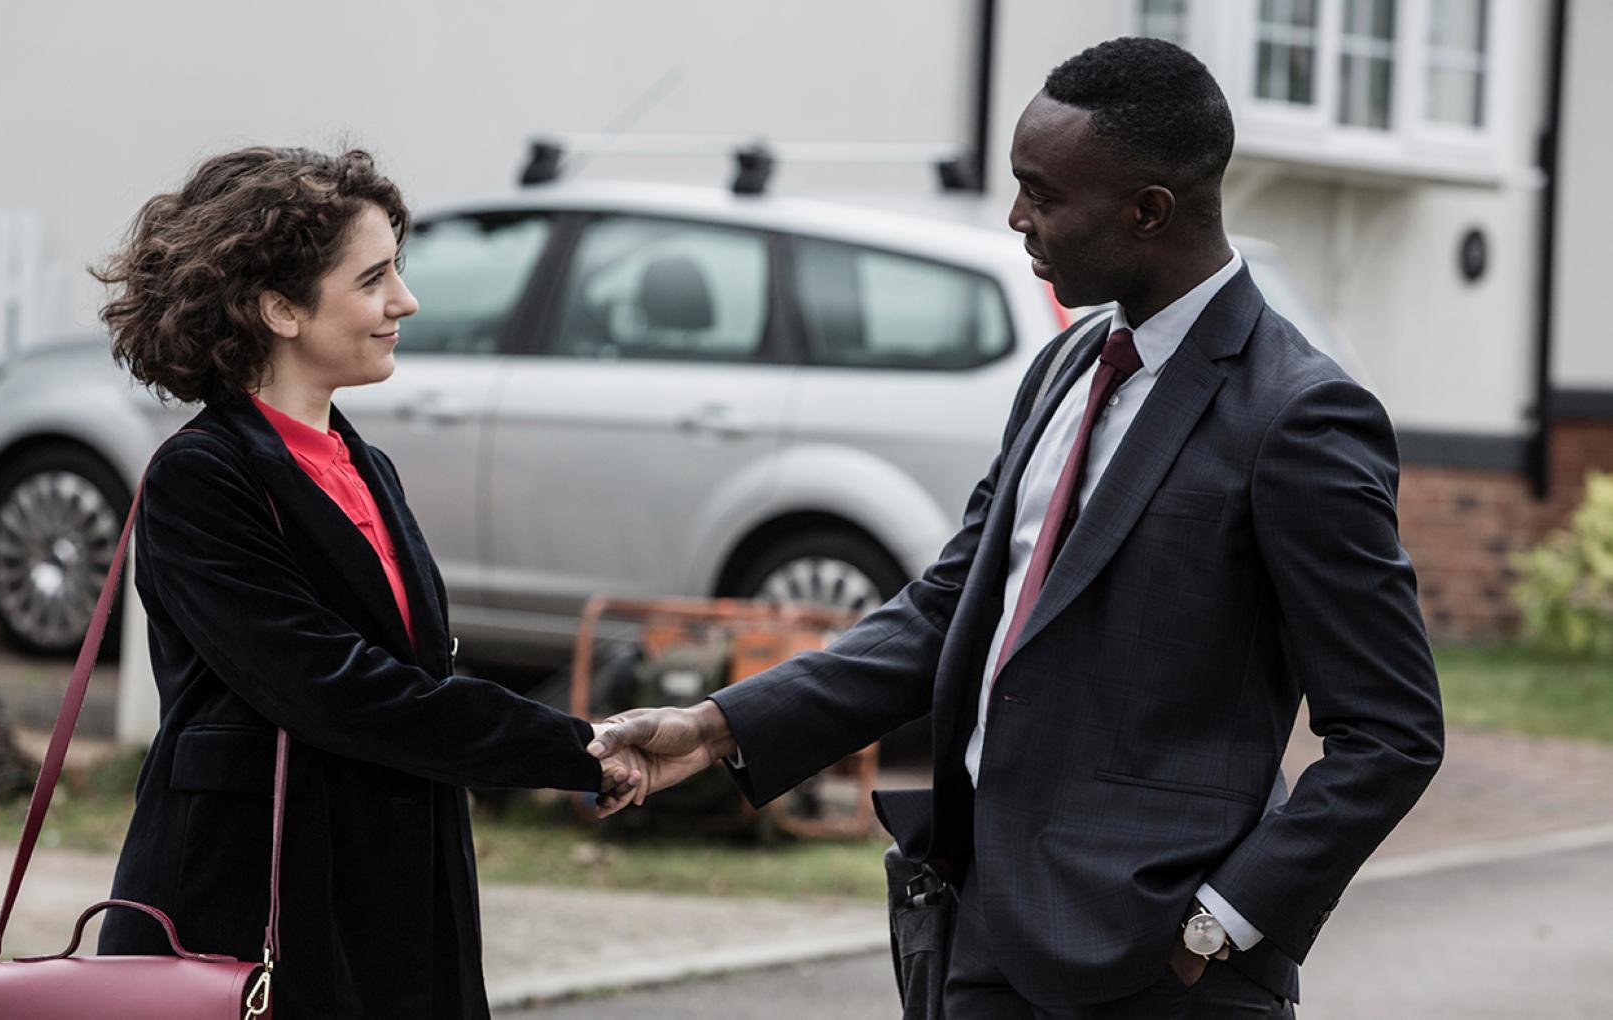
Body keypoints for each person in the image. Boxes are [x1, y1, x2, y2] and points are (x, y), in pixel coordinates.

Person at [590, 38, 1443, 1019]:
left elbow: (1392, 733)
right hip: (983, 929)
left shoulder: (1298, 415)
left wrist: (1222, 924)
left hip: (1164, 967)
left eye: (1041, 193)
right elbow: (944, 612)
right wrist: (716, 726)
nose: (1017, 217)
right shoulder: (1068, 366)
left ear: (1148, 211)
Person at [91, 146, 639, 1018]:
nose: (404, 302)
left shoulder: (365, 464)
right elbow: (332, 688)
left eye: (400, 271)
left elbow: (413, 677)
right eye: (373, 278)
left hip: (393, 896)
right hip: (260, 909)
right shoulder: (200, 477)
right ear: (279, 308)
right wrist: (567, 746)